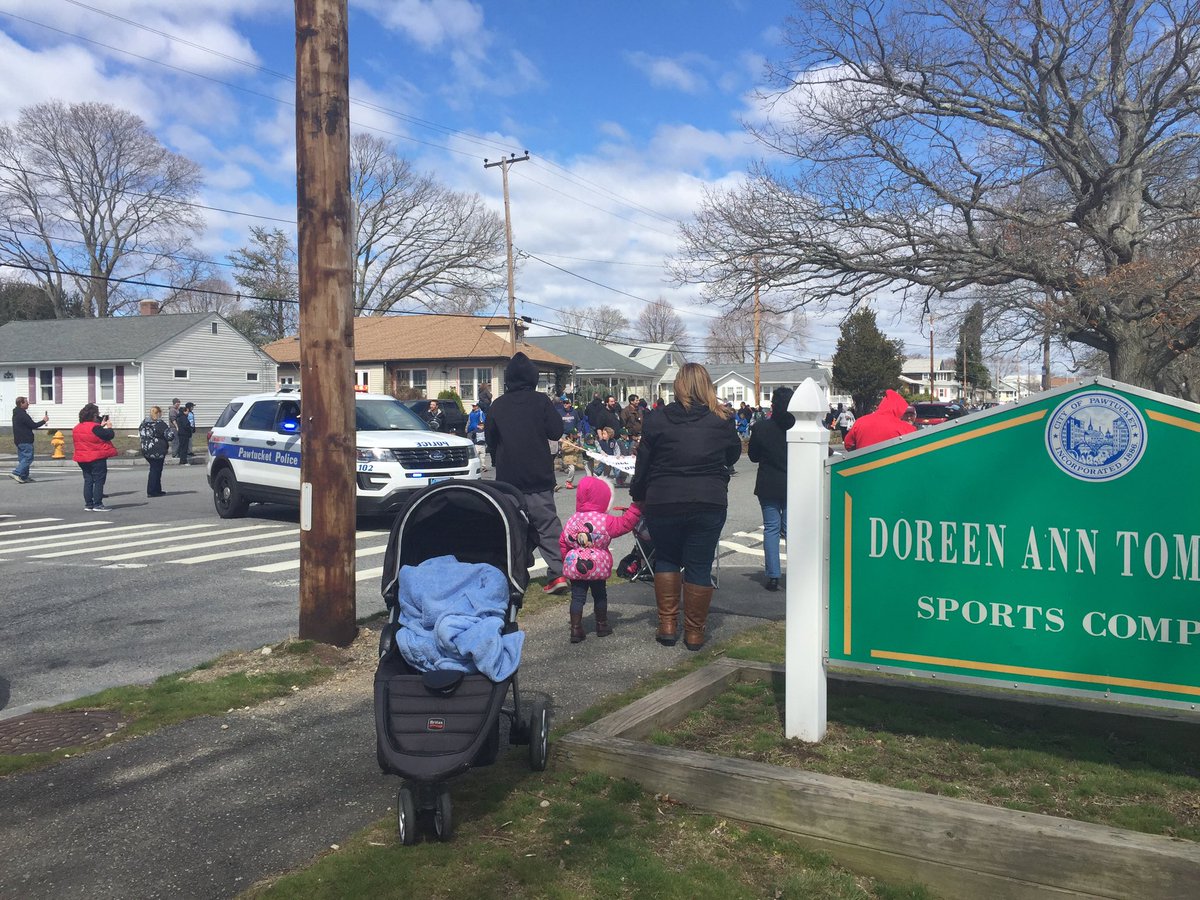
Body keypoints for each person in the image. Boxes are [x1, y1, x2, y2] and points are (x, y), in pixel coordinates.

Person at [630, 362, 741, 650]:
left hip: (663, 499)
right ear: (707, 386)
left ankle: (668, 624)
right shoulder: (722, 420)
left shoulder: (656, 419)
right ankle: (694, 632)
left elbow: (644, 462)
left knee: (666, 557)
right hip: (708, 500)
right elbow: (731, 456)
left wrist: (638, 493)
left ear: (678, 384)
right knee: (699, 564)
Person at [485, 352, 570, 594]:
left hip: (508, 480)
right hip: (539, 477)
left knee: (513, 528)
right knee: (547, 526)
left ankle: (516, 574)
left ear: (508, 379)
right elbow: (555, 431)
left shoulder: (498, 405)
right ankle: (558, 573)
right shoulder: (541, 401)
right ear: (533, 378)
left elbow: (490, 440)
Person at [559, 476, 641, 642]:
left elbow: (563, 541)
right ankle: (602, 625)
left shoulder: (573, 519)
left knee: (577, 597)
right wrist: (636, 508)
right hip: (598, 565)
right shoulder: (605, 520)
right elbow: (625, 524)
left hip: (576, 565)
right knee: (600, 595)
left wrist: (565, 560)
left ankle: (575, 628)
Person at [747, 387, 794, 592]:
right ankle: (798, 572)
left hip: (768, 484)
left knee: (772, 529)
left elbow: (753, 456)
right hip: (794, 483)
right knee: (791, 530)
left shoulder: (761, 428)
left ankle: (773, 575)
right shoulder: (797, 428)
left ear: (773, 405)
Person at [72, 403, 118, 511]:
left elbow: (92, 435)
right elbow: (108, 435)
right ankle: (98, 504)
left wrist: (100, 426)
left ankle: (89, 504)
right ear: (93, 416)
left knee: (88, 480)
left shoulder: (77, 427)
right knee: (98, 480)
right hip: (96, 457)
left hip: (82, 457)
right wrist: (109, 427)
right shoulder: (95, 428)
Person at [842, 389, 917, 451]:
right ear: (899, 409)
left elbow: (848, 445)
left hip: (863, 467)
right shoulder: (906, 428)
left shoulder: (860, 422)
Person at [10, 396, 49, 483]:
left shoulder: (16, 413)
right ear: (21, 404)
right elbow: (33, 425)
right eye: (26, 402)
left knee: (23, 458)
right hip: (25, 439)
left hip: (18, 440)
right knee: (28, 458)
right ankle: (17, 472)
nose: (28, 403)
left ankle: (24, 476)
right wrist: (44, 421)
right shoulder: (22, 415)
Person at [139, 405, 176, 497]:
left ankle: (157, 489)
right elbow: (169, 436)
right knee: (156, 470)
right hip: (157, 450)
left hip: (146, 449)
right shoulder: (160, 424)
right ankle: (152, 491)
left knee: (155, 469)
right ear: (158, 413)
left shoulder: (144, 423)